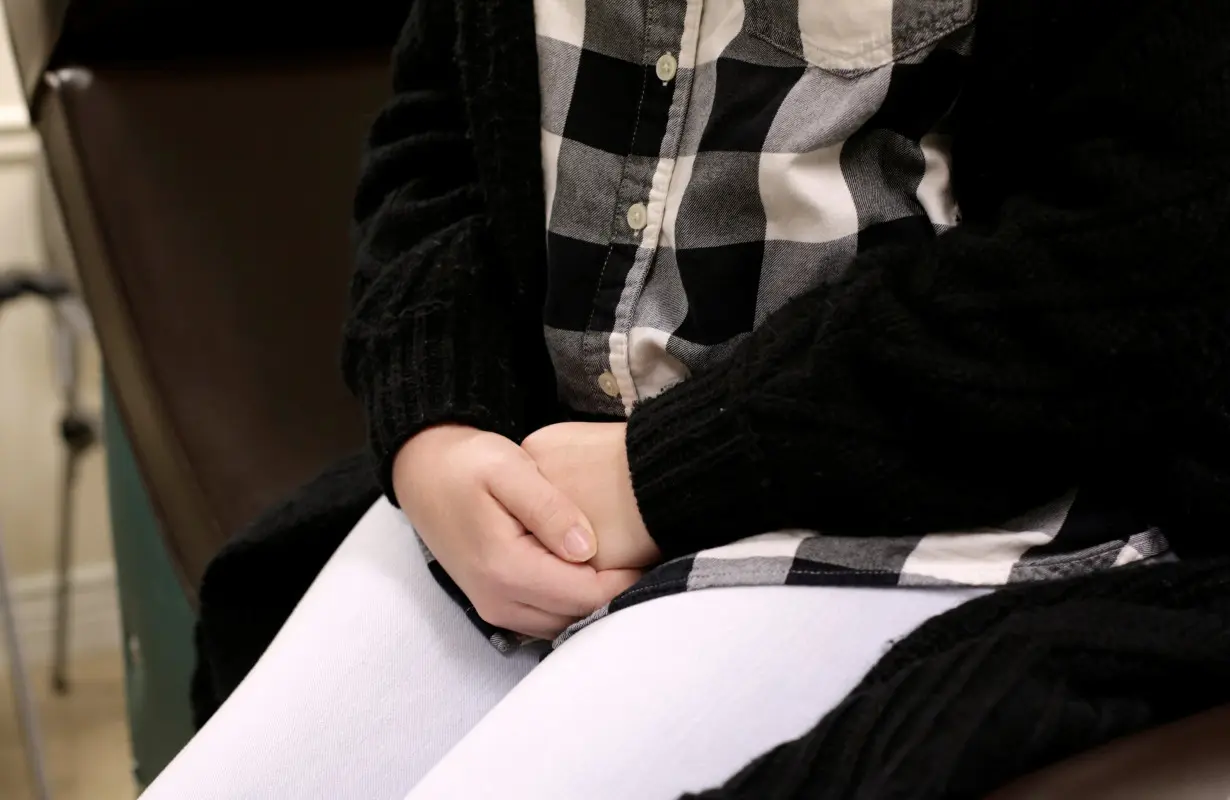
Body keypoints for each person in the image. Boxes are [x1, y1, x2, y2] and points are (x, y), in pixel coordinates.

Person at [155, 0, 1230, 798]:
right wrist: (437, 427)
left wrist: (657, 474)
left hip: (934, 504)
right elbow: (438, 136)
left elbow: (1124, 263)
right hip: (551, 466)